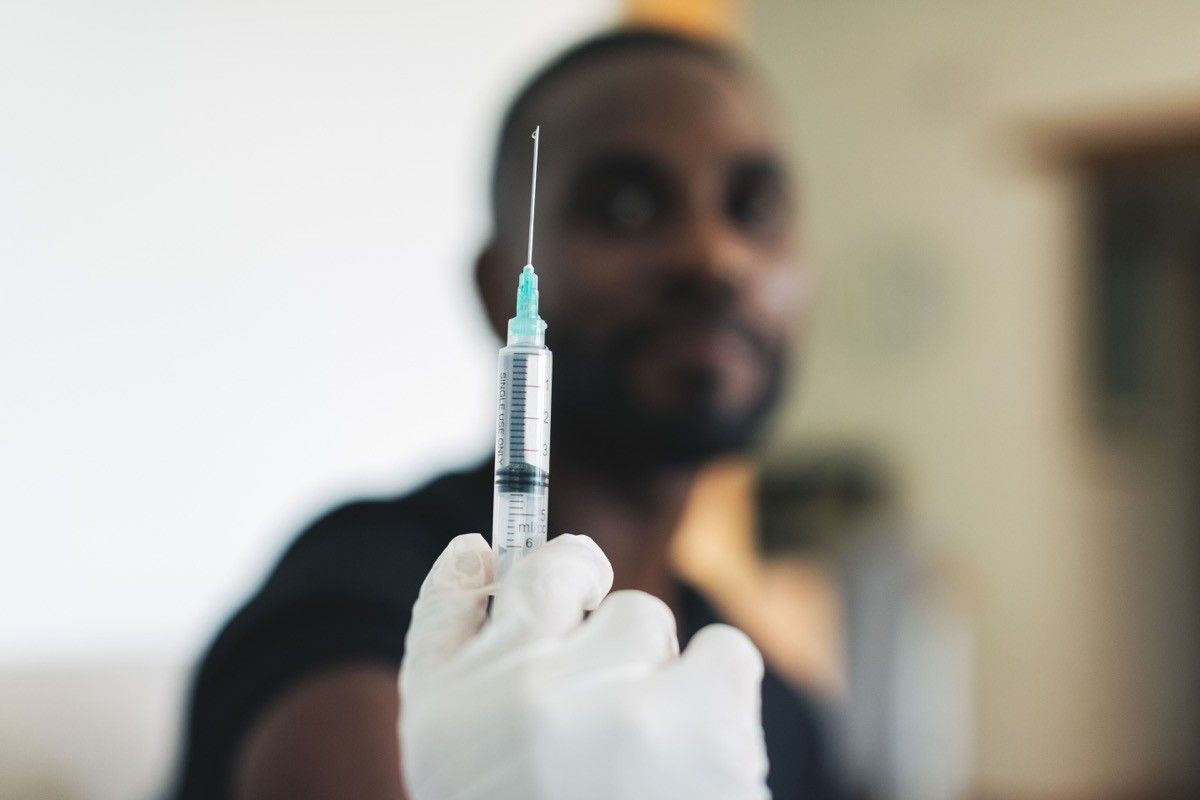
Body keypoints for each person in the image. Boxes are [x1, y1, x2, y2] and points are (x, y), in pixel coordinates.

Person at [173, 27, 846, 799]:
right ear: (502, 291)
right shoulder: (367, 596)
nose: (713, 256)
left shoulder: (772, 705)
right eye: (626, 206)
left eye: (754, 208)